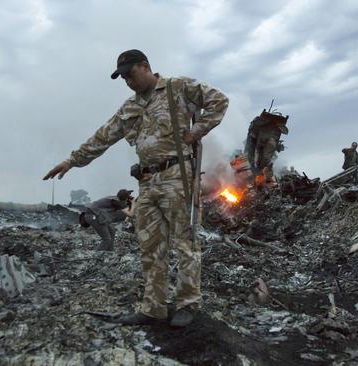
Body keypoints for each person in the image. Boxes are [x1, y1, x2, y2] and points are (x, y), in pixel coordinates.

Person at [43, 49, 229, 327]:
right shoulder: (129, 108)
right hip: (147, 182)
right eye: (123, 78)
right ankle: (153, 308)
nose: (127, 81)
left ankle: (188, 303)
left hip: (178, 177)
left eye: (130, 74)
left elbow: (219, 101)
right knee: (150, 246)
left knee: (185, 243)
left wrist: (196, 131)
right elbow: (103, 136)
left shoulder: (178, 88)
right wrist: (72, 160)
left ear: (145, 67)